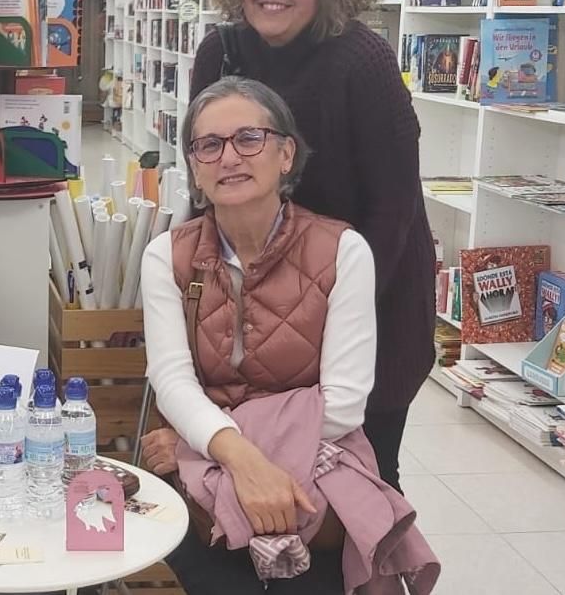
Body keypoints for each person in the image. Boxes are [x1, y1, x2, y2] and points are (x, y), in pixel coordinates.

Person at [188, 0, 435, 491]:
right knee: (256, 463)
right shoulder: (218, 53)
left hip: (370, 294)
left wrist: (334, 313)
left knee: (360, 477)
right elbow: (206, 181)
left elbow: (393, 207)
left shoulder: (363, 60)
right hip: (255, 301)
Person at [140, 78, 390, 593]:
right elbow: (172, 381)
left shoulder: (343, 251)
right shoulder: (167, 255)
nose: (229, 157)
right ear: (194, 167)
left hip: (311, 484)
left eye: (249, 138)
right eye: (209, 145)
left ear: (285, 154)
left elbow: (342, 406)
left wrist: (200, 447)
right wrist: (241, 461)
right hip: (203, 497)